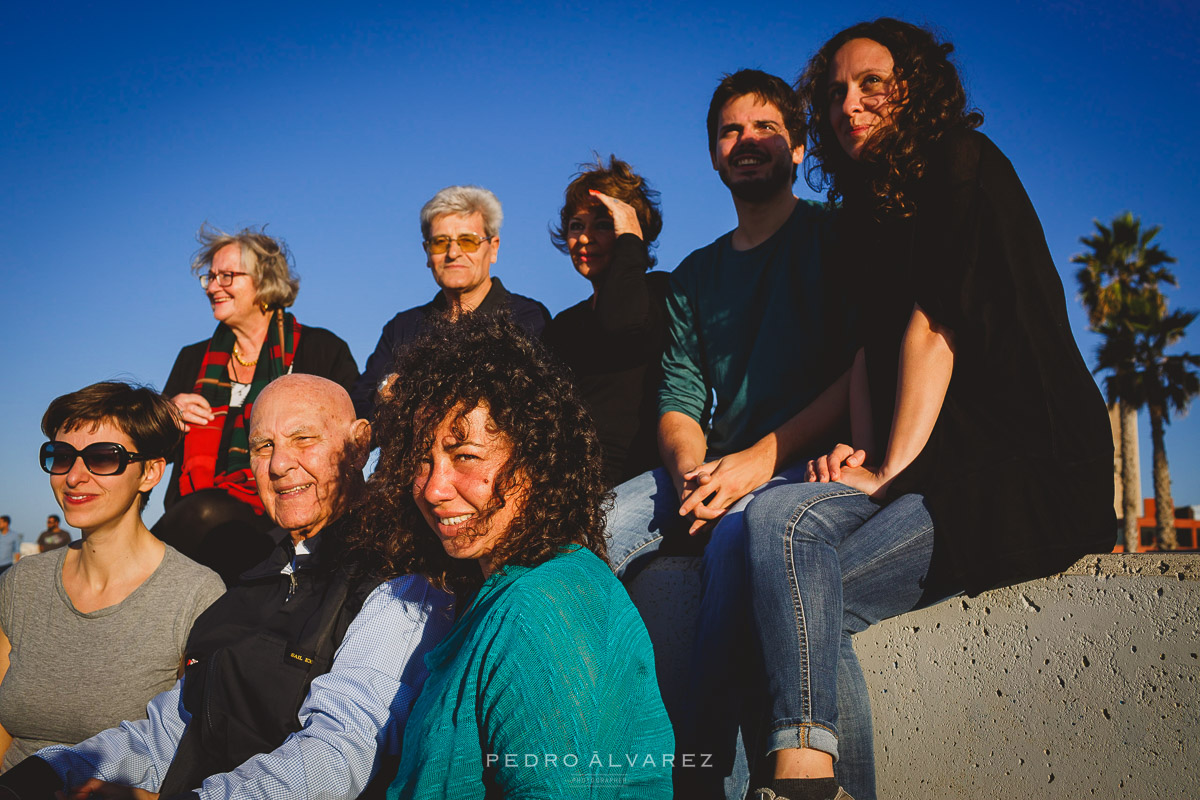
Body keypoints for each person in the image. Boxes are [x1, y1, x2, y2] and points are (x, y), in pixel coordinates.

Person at [740, 20, 1115, 800]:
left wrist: (887, 470)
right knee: (794, 563)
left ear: (913, 85)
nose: (849, 104)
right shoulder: (868, 215)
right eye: (835, 91)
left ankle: (800, 778)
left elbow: (933, 327)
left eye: (870, 83)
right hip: (928, 463)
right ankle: (821, 781)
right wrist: (863, 454)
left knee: (795, 568)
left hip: (1021, 466)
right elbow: (870, 356)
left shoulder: (960, 164)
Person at [0, 374, 453, 800]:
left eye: (304, 439)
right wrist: (52, 771)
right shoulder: (249, 584)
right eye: (263, 446)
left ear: (358, 446)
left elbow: (340, 752)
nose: (279, 464)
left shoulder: (401, 585)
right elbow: (169, 731)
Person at [603, 70, 852, 794]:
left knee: (739, 541)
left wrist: (753, 464)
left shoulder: (833, 239)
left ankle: (702, 774)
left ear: (800, 147)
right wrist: (688, 470)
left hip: (801, 467)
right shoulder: (693, 276)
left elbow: (859, 374)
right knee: (586, 529)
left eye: (765, 127)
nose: (746, 141)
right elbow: (681, 397)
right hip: (715, 462)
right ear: (713, 156)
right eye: (730, 131)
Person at [353, 315, 672, 798]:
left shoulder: (540, 607)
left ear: (536, 458)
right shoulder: (500, 589)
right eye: (423, 459)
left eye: (465, 456)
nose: (434, 488)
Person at [0, 382, 225, 770]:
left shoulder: (196, 595)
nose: (74, 477)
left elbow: (196, 751)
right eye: (62, 456)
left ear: (151, 472)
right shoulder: (23, 583)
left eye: (103, 458)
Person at [156, 225, 359, 584]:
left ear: (264, 280)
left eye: (227, 276)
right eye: (210, 277)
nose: (213, 286)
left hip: (284, 518)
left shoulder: (321, 350)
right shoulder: (192, 359)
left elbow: (351, 437)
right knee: (202, 512)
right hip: (193, 523)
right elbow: (151, 450)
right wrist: (166, 415)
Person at [352, 185, 551, 422]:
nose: (453, 252)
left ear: (493, 248)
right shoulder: (402, 327)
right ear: (427, 253)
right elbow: (359, 408)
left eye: (468, 241)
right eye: (440, 242)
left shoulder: (526, 317)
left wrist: (398, 390)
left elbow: (525, 405)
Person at [544, 156, 669, 488]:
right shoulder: (564, 326)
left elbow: (620, 324)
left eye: (603, 224)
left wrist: (630, 238)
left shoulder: (661, 294)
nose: (585, 238)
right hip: (574, 489)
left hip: (646, 486)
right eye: (576, 225)